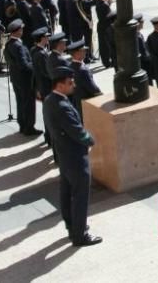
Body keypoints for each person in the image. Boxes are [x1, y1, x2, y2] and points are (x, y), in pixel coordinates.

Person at [43, 65, 102, 247]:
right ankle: (80, 234)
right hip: (75, 157)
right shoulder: (62, 106)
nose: (73, 85)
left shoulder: (49, 100)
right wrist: (91, 140)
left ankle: (72, 226)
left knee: (67, 192)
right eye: (70, 83)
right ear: (60, 85)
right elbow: (76, 131)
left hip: (64, 155)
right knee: (80, 195)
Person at [3, 19, 40, 136]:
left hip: (16, 78)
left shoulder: (8, 44)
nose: (22, 31)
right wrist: (35, 67)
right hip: (25, 80)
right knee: (28, 103)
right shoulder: (18, 46)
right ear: (18, 31)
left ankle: (22, 124)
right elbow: (24, 64)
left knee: (20, 102)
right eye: (21, 29)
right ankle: (29, 127)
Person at [30, 26, 53, 146]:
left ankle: (48, 136)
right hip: (47, 87)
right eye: (46, 37)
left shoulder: (35, 50)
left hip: (41, 87)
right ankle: (50, 137)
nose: (48, 38)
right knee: (50, 114)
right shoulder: (41, 54)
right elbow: (46, 72)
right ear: (42, 39)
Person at [67, 38, 102, 117]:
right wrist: (101, 95)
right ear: (77, 53)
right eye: (83, 50)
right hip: (87, 103)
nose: (85, 52)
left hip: (76, 102)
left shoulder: (70, 66)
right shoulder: (82, 70)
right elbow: (94, 89)